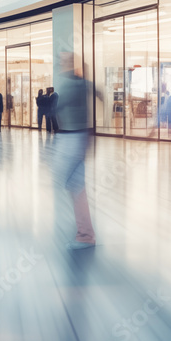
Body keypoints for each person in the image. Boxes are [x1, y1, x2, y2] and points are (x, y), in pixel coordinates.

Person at [54, 53, 96, 250]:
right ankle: (85, 233)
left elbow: (57, 107)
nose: (62, 64)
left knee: (68, 182)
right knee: (77, 186)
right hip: (80, 137)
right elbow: (99, 92)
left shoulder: (70, 85)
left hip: (70, 139)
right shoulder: (83, 83)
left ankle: (85, 233)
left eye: (65, 61)